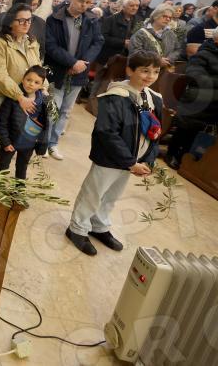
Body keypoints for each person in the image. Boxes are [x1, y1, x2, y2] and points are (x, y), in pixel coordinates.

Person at [65, 51, 163, 256]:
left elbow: (155, 131)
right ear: (130, 70)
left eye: (156, 71)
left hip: (132, 161)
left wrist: (148, 160)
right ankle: (77, 228)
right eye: (145, 71)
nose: (150, 76)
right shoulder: (116, 96)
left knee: (112, 195)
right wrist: (130, 162)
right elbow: (107, 132)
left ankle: (99, 226)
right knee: (93, 193)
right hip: (110, 158)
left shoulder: (153, 98)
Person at [166, 22, 218, 170]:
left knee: (204, 135)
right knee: (187, 130)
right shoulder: (204, 54)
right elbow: (194, 76)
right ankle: (173, 154)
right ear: (217, 38)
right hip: (198, 99)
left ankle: (192, 159)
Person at [45, 0, 105, 160]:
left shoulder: (92, 20)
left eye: (88, 2)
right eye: (81, 1)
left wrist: (83, 63)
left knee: (65, 111)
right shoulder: (55, 18)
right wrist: (72, 62)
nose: (84, 5)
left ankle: (53, 144)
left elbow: (97, 43)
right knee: (52, 109)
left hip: (79, 73)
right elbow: (51, 46)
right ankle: (43, 143)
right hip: (58, 70)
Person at [0, 3, 45, 154]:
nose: (26, 24)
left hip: (21, 100)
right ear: (10, 21)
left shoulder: (31, 42)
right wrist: (19, 96)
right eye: (21, 20)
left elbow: (38, 69)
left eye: (29, 20)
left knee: (10, 143)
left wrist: (43, 88)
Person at [0, 65, 50, 180]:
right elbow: (2, 121)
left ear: (41, 85)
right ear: (23, 79)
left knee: (22, 167)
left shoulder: (42, 101)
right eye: (28, 80)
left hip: (28, 142)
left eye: (36, 82)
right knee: (2, 166)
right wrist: (5, 142)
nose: (31, 84)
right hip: (11, 141)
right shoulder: (13, 98)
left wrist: (41, 145)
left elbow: (45, 124)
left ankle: (19, 188)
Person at [96, 0, 138, 65]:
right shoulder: (110, 19)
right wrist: (123, 42)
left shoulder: (138, 20)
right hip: (108, 56)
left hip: (126, 57)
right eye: (131, 5)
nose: (135, 8)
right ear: (124, 7)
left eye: (137, 6)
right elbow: (103, 37)